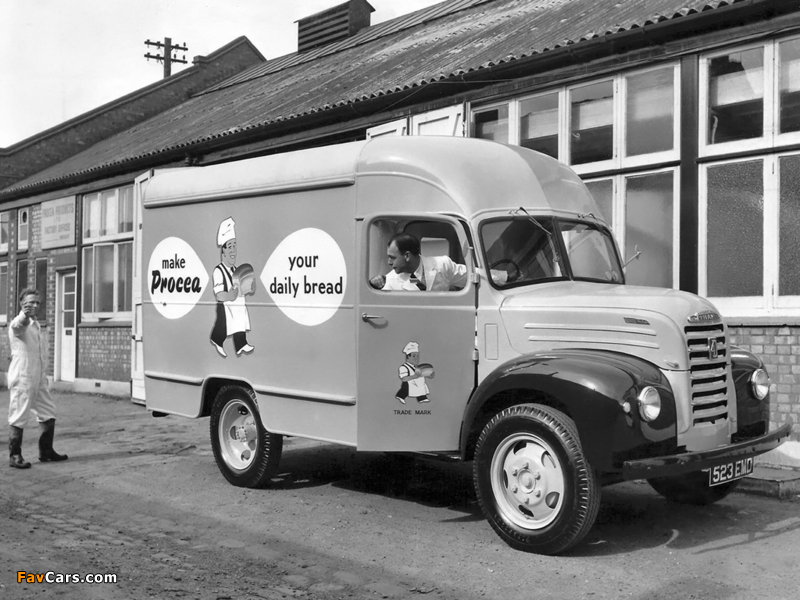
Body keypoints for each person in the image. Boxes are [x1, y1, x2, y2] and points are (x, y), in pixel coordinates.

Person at [8, 288, 67, 469]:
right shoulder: (19, 323)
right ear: (22, 304)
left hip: (38, 378)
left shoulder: (36, 324)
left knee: (48, 412)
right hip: (23, 378)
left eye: (37, 302)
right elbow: (18, 325)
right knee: (19, 415)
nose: (34, 305)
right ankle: (14, 455)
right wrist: (24, 315)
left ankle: (46, 451)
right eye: (30, 302)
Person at [210, 217, 254, 357]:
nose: (233, 250)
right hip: (225, 306)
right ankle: (217, 340)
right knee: (222, 326)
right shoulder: (218, 271)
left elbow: (243, 288)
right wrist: (228, 296)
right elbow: (218, 294)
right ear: (223, 251)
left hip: (237, 304)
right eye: (229, 247)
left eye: (234, 246)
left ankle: (241, 344)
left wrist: (249, 287)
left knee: (240, 317)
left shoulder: (237, 270)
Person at [369, 232, 469, 291]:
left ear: (407, 256)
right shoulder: (391, 281)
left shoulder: (443, 264)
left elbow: (474, 277)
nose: (389, 262)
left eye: (393, 257)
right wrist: (372, 286)